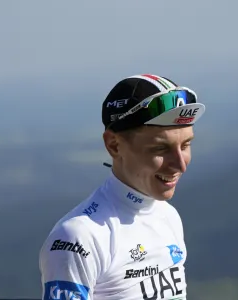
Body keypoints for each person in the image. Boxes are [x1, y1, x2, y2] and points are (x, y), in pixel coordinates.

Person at [39, 74, 206, 300]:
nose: (180, 164)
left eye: (186, 145)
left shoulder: (168, 216)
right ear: (114, 145)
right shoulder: (78, 238)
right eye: (160, 149)